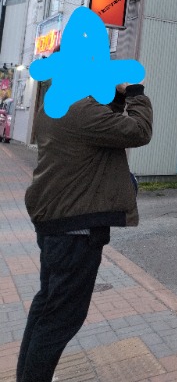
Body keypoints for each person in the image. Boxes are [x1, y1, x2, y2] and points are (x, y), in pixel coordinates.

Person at [18, 82, 153, 382]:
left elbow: (106, 125)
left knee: (46, 309)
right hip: (74, 231)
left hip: (57, 223)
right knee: (61, 320)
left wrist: (115, 97)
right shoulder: (80, 110)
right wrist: (135, 94)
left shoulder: (57, 102)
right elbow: (137, 131)